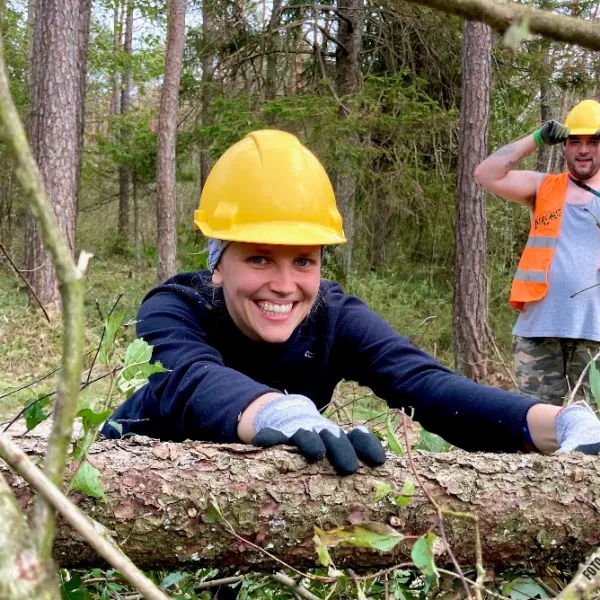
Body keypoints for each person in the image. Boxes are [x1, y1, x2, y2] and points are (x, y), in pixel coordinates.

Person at [102, 130, 600, 474]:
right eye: (258, 259)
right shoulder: (174, 307)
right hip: (130, 491)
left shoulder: (333, 316)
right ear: (218, 262)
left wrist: (561, 423)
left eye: (303, 261)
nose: (283, 284)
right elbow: (190, 380)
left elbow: (427, 386)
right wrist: (284, 412)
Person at [475, 99, 600, 406]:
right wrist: (536, 138)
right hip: (539, 331)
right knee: (540, 429)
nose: (583, 150)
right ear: (564, 145)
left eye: (593, 141)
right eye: (575, 141)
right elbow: (485, 174)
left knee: (592, 433)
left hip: (596, 332)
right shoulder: (543, 186)